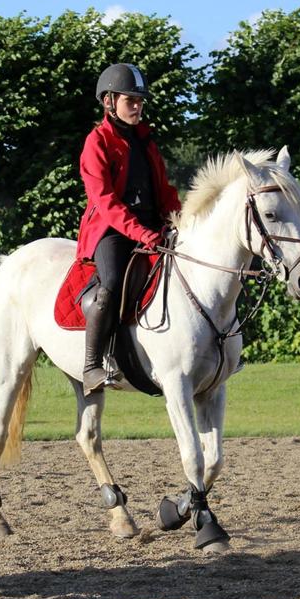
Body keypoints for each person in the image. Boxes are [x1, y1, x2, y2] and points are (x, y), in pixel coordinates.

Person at [75, 62, 181, 396]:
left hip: (151, 226)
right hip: (111, 230)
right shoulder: (96, 143)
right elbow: (105, 201)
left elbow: (164, 191)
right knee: (112, 281)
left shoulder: (146, 142)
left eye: (140, 100)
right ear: (108, 102)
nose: (137, 105)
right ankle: (92, 364)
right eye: (130, 99)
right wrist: (142, 233)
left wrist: (179, 220)